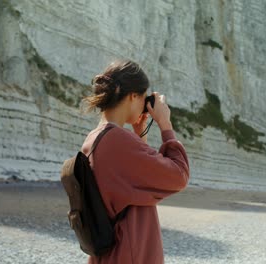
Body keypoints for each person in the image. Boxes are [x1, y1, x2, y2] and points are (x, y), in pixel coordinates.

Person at [80, 59, 190, 264]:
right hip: (129, 255)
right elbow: (178, 176)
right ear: (133, 96)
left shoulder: (94, 138)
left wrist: (139, 136)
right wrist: (166, 125)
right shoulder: (118, 140)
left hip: (109, 254)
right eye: (142, 98)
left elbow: (131, 184)